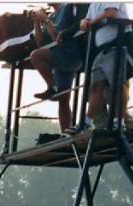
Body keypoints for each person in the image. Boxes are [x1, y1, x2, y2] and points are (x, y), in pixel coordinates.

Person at [76, 2, 133, 133]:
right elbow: (87, 20)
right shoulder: (93, 4)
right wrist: (84, 22)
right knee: (97, 86)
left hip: (117, 46)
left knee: (118, 85)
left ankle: (119, 122)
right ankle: (86, 122)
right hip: (102, 49)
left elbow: (111, 13)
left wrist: (91, 24)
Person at [30, 3, 89, 133]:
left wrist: (45, 19)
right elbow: (40, 42)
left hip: (69, 54)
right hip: (59, 57)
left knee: (36, 56)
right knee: (63, 99)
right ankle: (66, 134)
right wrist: (36, 22)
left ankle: (52, 88)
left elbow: (58, 38)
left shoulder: (67, 9)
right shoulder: (53, 15)